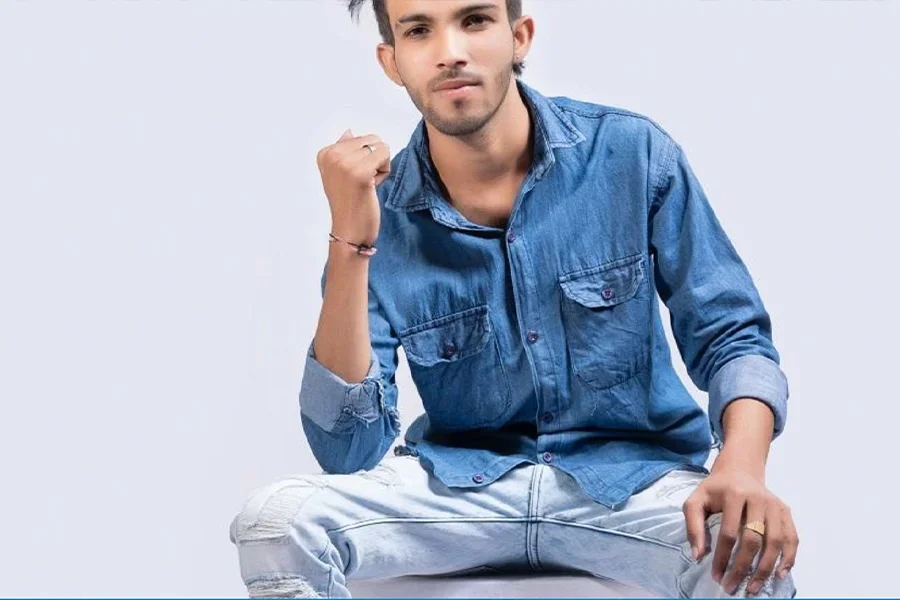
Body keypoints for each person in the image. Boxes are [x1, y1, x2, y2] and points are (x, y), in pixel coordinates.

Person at [228, 0, 799, 597]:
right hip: (460, 490)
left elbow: (730, 331)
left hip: (633, 486)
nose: (450, 51)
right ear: (391, 61)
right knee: (274, 523)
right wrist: (350, 241)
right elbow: (347, 451)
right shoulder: (380, 212)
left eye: (474, 20)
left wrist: (742, 466)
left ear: (519, 36)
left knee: (750, 557)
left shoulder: (630, 154)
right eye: (419, 30)